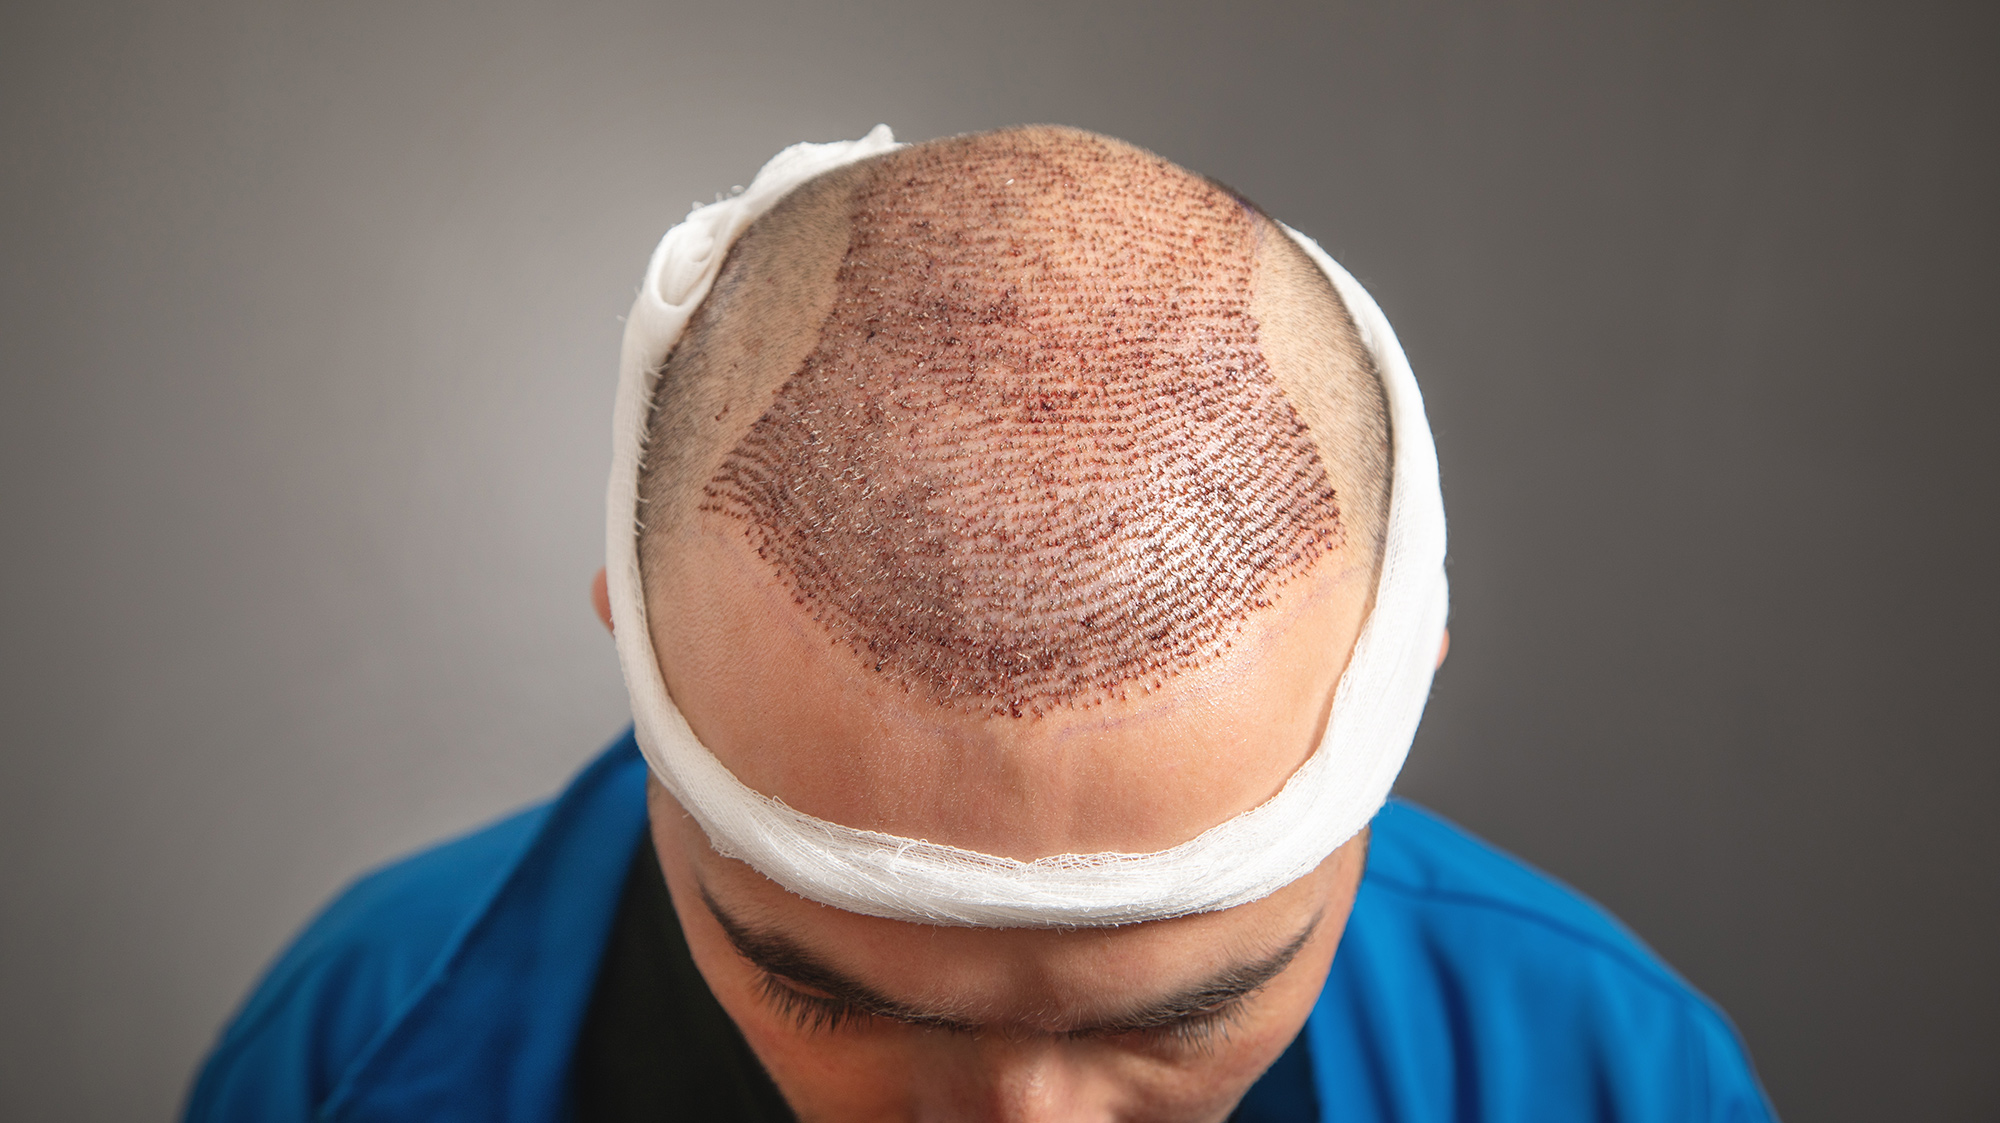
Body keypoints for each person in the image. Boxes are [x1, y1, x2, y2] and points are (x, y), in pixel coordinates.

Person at [183, 126, 1777, 1122]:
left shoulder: (1616, 1083)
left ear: (1408, 678)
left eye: (1183, 1018)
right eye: (828, 996)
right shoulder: (348, 1050)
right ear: (634, 642)